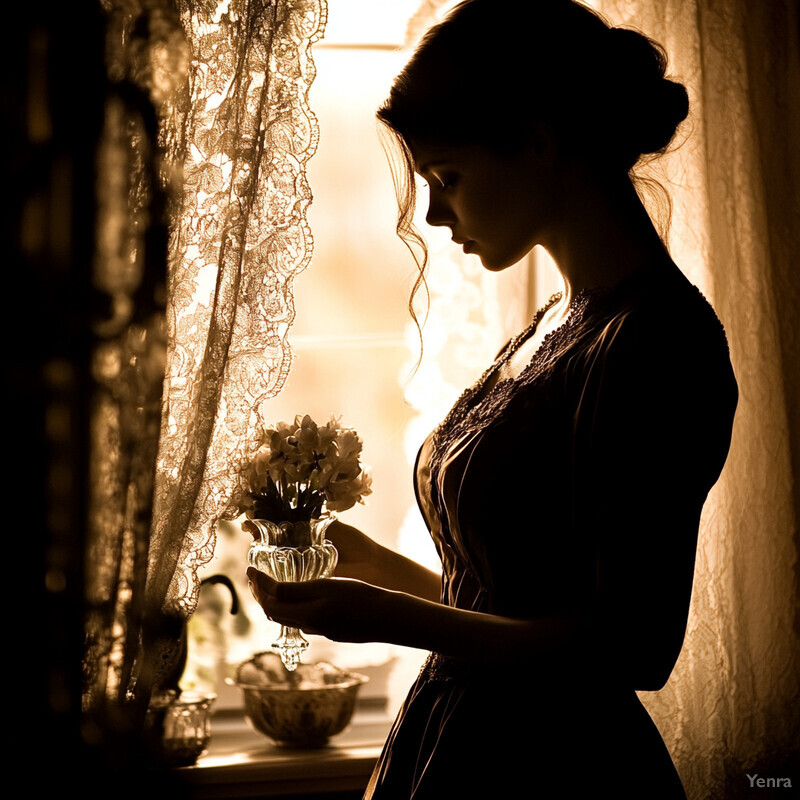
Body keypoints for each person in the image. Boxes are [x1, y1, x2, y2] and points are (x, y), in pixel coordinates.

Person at [247, 1, 738, 796]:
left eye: (448, 177)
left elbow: (630, 647)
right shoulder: (554, 325)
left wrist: (386, 621)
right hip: (455, 744)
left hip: (553, 767)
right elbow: (518, 605)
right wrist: (380, 573)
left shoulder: (659, 343)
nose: (435, 214)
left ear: (539, 144)